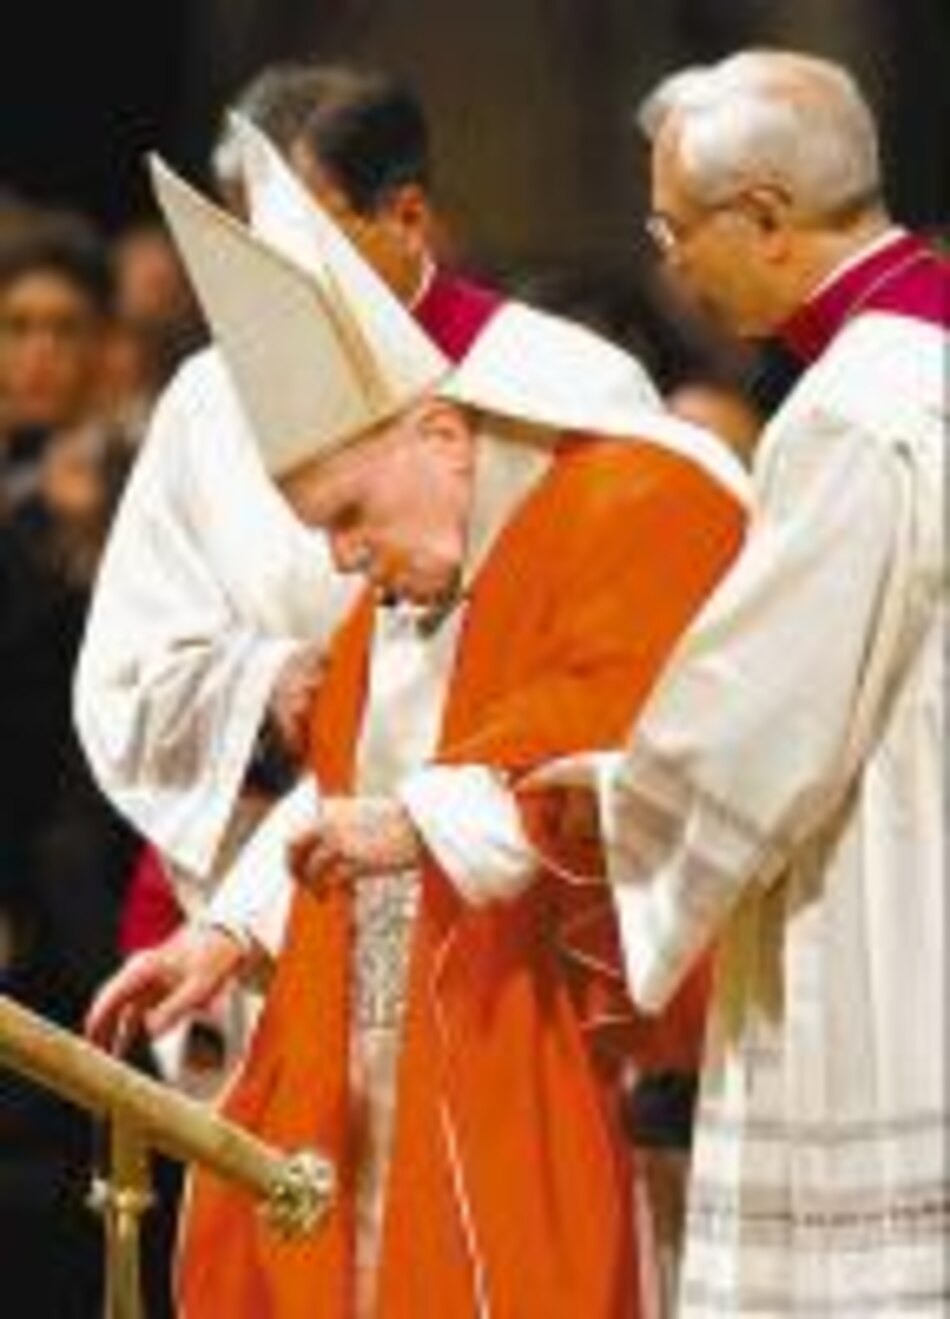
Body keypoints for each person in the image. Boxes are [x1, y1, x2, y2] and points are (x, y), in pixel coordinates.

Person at [87, 142, 748, 1316]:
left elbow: (634, 738)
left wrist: (421, 819)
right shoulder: (412, 586)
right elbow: (344, 784)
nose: (344, 558)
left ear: (441, 434)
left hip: (545, 1044)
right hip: (389, 1054)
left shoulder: (630, 503)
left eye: (348, 514)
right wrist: (227, 932)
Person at [536, 50, 948, 1317]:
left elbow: (770, 718)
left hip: (884, 899)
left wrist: (620, 797)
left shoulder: (852, 411)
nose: (671, 265)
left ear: (764, 215)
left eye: (674, 229)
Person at [74, 63, 503, 905]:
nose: (259, 279)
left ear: (407, 217)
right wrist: (259, 686)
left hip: (482, 874)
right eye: (241, 242)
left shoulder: (538, 380)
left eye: (291, 239)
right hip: (286, 879)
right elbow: (126, 675)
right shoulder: (208, 401)